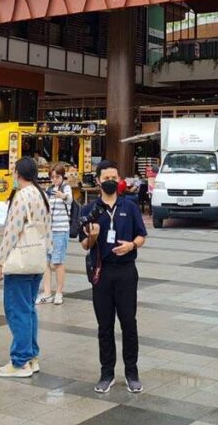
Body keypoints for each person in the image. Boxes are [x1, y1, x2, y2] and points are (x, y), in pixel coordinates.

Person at [80, 159, 148, 394]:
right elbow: (84, 245)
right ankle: (106, 372)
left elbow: (142, 235)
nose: (111, 181)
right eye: (106, 178)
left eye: (114, 178)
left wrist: (131, 245)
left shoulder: (129, 206)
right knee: (104, 325)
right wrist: (93, 236)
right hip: (102, 272)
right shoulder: (89, 210)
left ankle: (132, 373)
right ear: (98, 180)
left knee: (129, 323)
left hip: (126, 271)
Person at [0, 157, 52, 378]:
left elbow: (12, 232)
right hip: (37, 259)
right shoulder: (41, 194)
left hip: (20, 262)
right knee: (28, 309)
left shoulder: (21, 197)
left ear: (18, 172)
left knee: (17, 310)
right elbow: (48, 228)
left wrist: (0, 261)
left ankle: (20, 361)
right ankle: (32, 356)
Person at [38, 163, 72, 305]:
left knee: (57, 261)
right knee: (45, 262)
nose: (54, 179)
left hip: (61, 229)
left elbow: (70, 199)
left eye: (57, 176)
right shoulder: (49, 189)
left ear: (62, 176)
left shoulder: (66, 187)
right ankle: (47, 292)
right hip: (48, 230)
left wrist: (63, 196)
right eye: (52, 177)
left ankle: (59, 292)